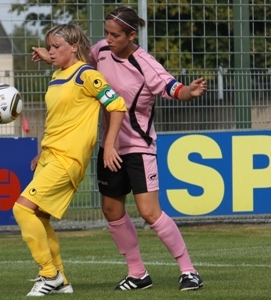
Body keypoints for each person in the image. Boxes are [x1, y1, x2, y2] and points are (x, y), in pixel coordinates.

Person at [32, 7, 207, 292]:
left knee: (149, 212)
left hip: (138, 147)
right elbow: (74, 61)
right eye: (107, 33)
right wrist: (47, 53)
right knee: (112, 210)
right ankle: (138, 273)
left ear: (131, 35)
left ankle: (189, 270)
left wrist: (190, 91)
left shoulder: (145, 63)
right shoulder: (100, 51)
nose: (109, 39)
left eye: (116, 35)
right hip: (109, 147)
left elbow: (173, 88)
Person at [14, 23, 127, 297]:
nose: (52, 52)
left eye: (57, 47)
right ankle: (61, 281)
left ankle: (48, 274)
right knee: (39, 215)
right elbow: (59, 119)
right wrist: (42, 151)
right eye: (49, 47)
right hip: (50, 156)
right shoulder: (57, 75)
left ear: (74, 47)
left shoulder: (86, 75)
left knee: (22, 209)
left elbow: (117, 104)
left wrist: (109, 144)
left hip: (68, 159)